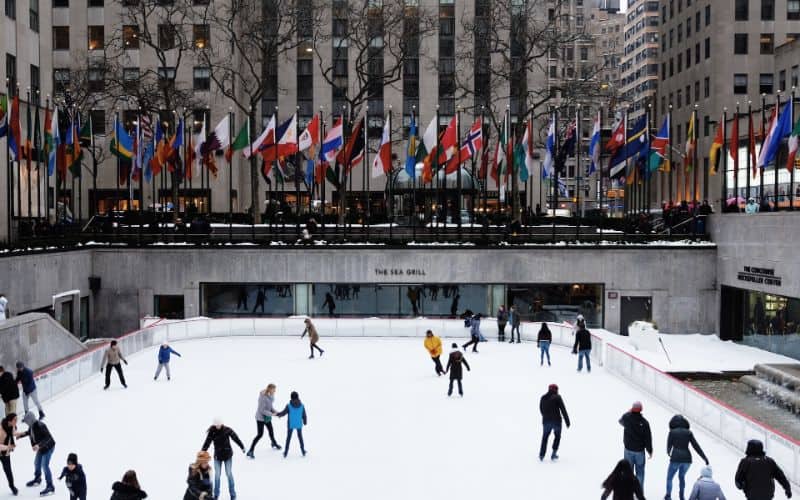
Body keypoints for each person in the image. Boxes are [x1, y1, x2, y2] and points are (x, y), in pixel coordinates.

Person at [666, 414, 709, 500]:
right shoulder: (689, 433)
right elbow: (696, 446)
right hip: (687, 459)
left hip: (675, 458)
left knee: (670, 477)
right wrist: (704, 458)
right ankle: (682, 497)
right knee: (682, 477)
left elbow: (668, 447)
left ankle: (668, 496)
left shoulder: (672, 432)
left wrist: (669, 453)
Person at [201, 418, 245, 500]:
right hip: (217, 457)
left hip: (228, 456)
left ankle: (233, 494)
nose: (218, 426)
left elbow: (235, 438)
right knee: (217, 475)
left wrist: (242, 446)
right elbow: (207, 442)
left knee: (229, 474)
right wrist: (202, 452)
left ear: (222, 423)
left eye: (219, 424)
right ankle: (216, 494)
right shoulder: (212, 432)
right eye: (216, 424)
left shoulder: (227, 430)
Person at [18, 411, 55, 496]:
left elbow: (48, 438)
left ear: (30, 420)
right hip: (41, 448)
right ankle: (37, 479)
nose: (25, 423)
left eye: (26, 421)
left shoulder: (40, 425)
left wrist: (38, 445)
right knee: (37, 463)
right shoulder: (31, 426)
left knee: (45, 465)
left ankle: (50, 486)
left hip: (48, 447)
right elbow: (29, 432)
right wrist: (21, 435)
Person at [619, 401, 653, 487]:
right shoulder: (645, 422)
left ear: (632, 409)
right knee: (640, 472)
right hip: (639, 452)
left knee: (627, 472)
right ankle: (639, 492)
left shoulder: (626, 418)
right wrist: (650, 450)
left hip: (628, 450)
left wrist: (629, 412)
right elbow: (648, 438)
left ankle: (627, 492)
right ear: (641, 410)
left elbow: (620, 421)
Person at [246, 384, 281, 458]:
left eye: (275, 390)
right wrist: (272, 414)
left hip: (267, 417)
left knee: (271, 431)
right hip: (260, 418)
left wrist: (277, 413)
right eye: (274, 390)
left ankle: (274, 443)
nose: (275, 391)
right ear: (270, 389)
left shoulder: (271, 396)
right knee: (260, 434)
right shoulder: (263, 397)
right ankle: (250, 451)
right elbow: (262, 410)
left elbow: (270, 407)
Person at [539, 384, 570, 461]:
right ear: (556, 390)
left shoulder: (543, 397)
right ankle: (553, 453)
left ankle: (542, 455)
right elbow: (563, 409)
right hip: (557, 422)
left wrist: (545, 417)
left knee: (545, 438)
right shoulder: (558, 397)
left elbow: (541, 409)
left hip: (546, 422)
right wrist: (567, 421)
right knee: (557, 437)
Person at [276, 391, 308, 458]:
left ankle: (285, 453)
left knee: (288, 438)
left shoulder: (289, 406)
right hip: (299, 424)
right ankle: (303, 451)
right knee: (300, 438)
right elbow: (304, 415)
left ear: (291, 397)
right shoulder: (302, 406)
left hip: (291, 424)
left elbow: (283, 413)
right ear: (298, 397)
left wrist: (278, 414)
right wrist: (305, 422)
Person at [0, 413, 18, 496]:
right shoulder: (1, 431)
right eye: (15, 420)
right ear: (9, 421)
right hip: (3, 449)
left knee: (8, 471)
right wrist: (8, 447)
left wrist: (26, 433)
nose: (16, 421)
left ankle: (12, 486)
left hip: (5, 453)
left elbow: (14, 433)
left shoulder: (11, 426)